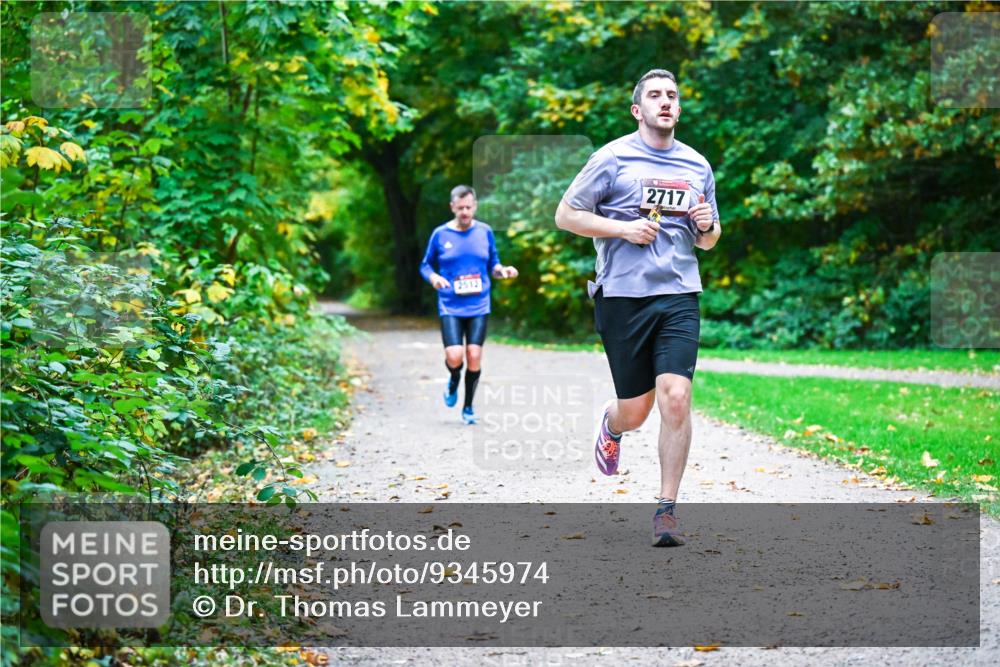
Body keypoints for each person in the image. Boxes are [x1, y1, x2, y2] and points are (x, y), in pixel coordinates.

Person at [554, 69, 721, 546]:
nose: (664, 101)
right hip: (623, 296)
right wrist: (623, 229)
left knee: (675, 396)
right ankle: (612, 424)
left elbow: (709, 241)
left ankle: (666, 510)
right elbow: (566, 215)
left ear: (679, 108)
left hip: (679, 294)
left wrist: (707, 226)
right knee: (637, 409)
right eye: (654, 95)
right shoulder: (611, 158)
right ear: (637, 109)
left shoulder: (697, 166)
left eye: (672, 95)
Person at [420, 185, 518, 425]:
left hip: (478, 305)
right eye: (460, 207)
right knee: (455, 356)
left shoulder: (484, 232)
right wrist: (434, 278)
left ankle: (468, 407)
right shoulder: (440, 234)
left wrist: (502, 271)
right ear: (452, 207)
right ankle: (454, 378)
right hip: (450, 304)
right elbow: (425, 265)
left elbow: (493, 263)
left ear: (474, 206)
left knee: (474, 355)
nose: (465, 211)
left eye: (469, 207)